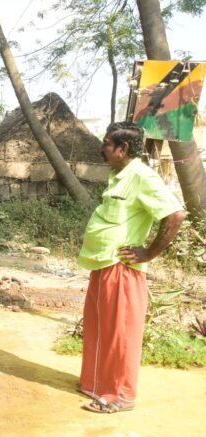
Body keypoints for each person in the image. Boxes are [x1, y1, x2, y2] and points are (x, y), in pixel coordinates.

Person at [77, 121, 185, 413]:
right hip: (104, 263)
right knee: (100, 329)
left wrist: (148, 252)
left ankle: (120, 396)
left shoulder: (142, 176)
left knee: (121, 334)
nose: (101, 149)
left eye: (106, 144)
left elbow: (175, 215)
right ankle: (96, 383)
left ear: (122, 148)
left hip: (122, 268)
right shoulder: (119, 175)